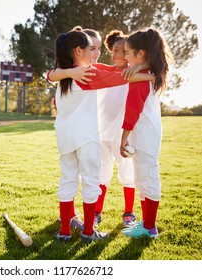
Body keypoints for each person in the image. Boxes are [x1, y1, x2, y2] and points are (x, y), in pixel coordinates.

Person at [51, 27, 154, 243]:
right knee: (90, 182)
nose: (94, 54)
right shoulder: (87, 74)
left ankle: (65, 232)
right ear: (78, 51)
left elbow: (51, 74)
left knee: (67, 180)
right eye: (90, 49)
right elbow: (120, 77)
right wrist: (150, 73)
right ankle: (88, 232)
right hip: (87, 139)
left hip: (65, 138)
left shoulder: (64, 76)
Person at [120, 28, 173, 238]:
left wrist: (123, 138)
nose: (124, 57)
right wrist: (141, 65)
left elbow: (132, 110)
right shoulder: (148, 73)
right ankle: (146, 224)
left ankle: (150, 228)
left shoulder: (142, 77)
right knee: (142, 178)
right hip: (146, 133)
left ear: (141, 53)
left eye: (127, 52)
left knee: (148, 178)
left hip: (144, 134)